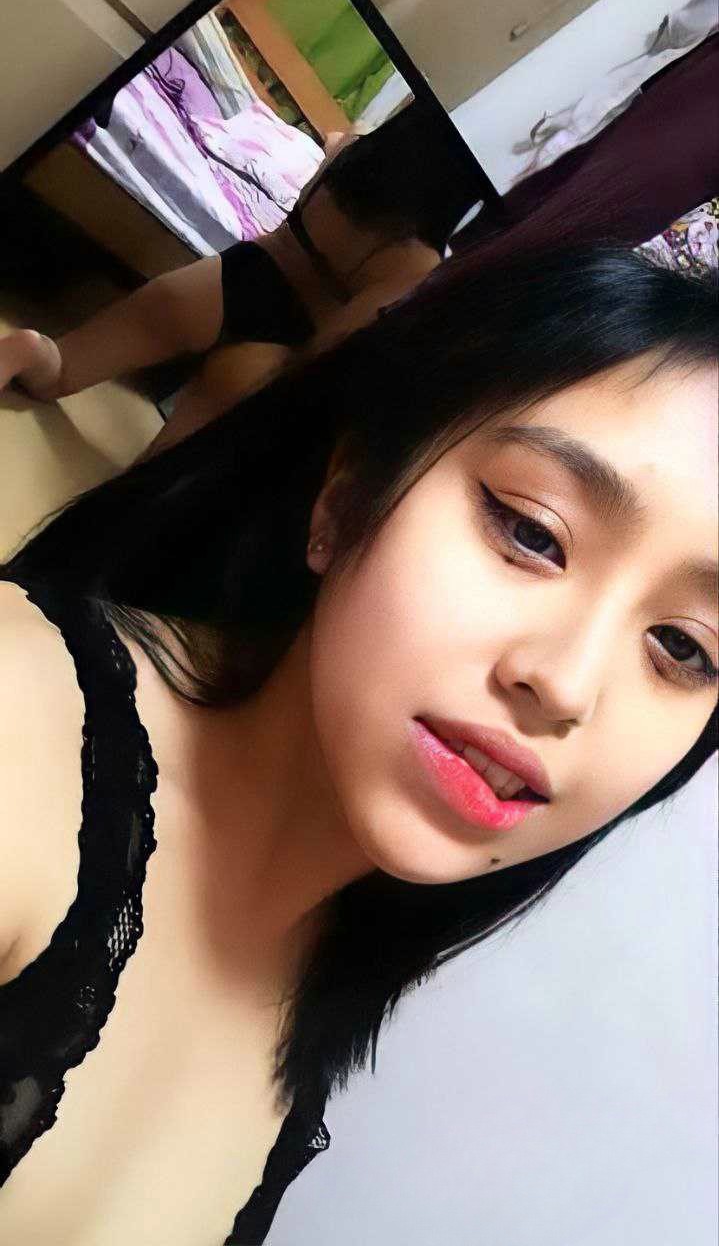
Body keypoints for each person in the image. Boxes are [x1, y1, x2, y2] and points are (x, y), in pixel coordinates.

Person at [0, 246, 716, 1246]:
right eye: (530, 531)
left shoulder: (319, 998)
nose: (564, 683)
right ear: (344, 496)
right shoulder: (18, 723)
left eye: (683, 647)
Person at [0, 98, 483, 457]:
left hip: (223, 281)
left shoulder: (348, 152)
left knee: (60, 372)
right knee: (151, 480)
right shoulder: (418, 262)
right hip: (273, 347)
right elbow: (327, 349)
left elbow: (339, 138)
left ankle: (29, 349)